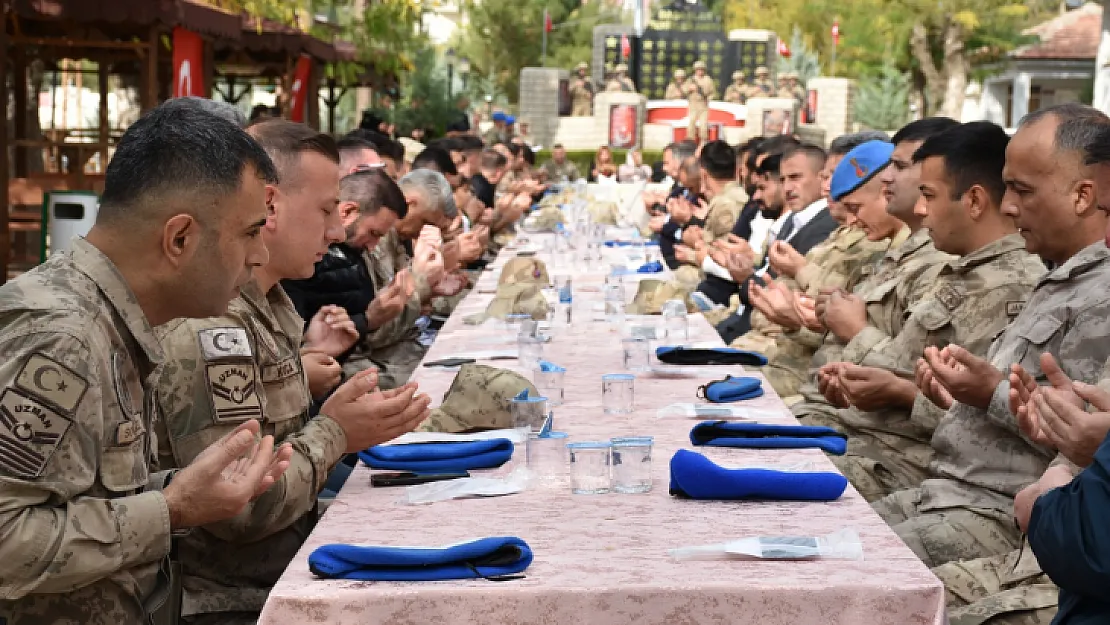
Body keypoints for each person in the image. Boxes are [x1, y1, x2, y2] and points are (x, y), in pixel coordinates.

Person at [0, 100, 295, 625]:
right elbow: (6, 539)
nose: (260, 257)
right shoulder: (63, 339)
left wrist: (179, 492)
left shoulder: (110, 321)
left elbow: (81, 497)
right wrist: (172, 509)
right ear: (179, 238)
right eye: (250, 232)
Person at [154, 120, 432, 625]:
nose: (337, 231)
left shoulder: (272, 307)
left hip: (286, 568)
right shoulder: (215, 327)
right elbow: (240, 512)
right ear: (270, 206)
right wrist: (337, 431)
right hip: (234, 602)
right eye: (327, 210)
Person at [886, 104, 1110, 570]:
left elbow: (1078, 441)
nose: (1006, 205)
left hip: (998, 512)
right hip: (949, 491)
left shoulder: (1097, 292)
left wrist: (988, 391)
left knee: (853, 579)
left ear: (1084, 196)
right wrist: (962, 391)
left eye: (1021, 190)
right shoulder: (1060, 280)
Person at [816, 122, 1045, 504]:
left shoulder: (1013, 285)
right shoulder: (958, 268)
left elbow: (990, 420)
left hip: (924, 466)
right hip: (888, 445)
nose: (922, 210)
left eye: (929, 195)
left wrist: (899, 390)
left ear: (973, 201)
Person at [787, 118, 958, 429]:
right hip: (832, 412)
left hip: (879, 441)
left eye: (900, 166)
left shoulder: (945, 262)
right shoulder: (901, 253)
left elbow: (930, 388)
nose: (888, 177)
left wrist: (851, 328)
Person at [712, 143, 837, 342]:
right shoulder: (792, 220)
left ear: (821, 178)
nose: (787, 188)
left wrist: (747, 278)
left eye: (796, 178)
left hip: (779, 338)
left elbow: (792, 292)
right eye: (783, 180)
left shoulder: (827, 224)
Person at [282, 169, 412, 360]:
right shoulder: (300, 260)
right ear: (347, 211)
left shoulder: (353, 253)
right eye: (373, 233)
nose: (372, 246)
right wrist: (368, 320)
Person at [684, 60, 717, 144]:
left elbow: (713, 93)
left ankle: (703, 142)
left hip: (703, 105)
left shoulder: (708, 80)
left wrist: (708, 98)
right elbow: (684, 90)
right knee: (691, 123)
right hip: (693, 104)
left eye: (701, 69)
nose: (700, 71)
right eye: (698, 69)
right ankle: (690, 142)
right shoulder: (691, 80)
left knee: (703, 125)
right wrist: (690, 89)